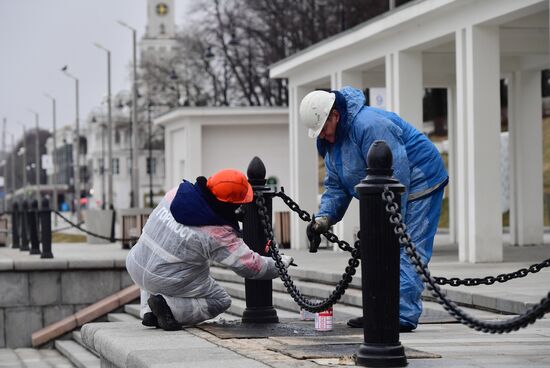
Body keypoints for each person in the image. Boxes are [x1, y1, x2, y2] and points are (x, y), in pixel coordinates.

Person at [300, 87, 448, 332]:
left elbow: (396, 172)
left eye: (324, 129)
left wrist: (389, 219)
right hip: (391, 191)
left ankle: (402, 315)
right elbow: (336, 185)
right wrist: (323, 219)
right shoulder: (333, 143)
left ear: (335, 115)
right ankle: (381, 312)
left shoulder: (370, 126)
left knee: (408, 245)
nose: (323, 136)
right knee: (380, 246)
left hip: (421, 180)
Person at [126, 169, 294, 330]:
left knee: (158, 260)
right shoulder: (217, 234)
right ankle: (169, 308)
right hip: (164, 278)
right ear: (231, 205)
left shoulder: (175, 193)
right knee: (220, 300)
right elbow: (251, 267)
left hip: (135, 262)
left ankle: (149, 312)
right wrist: (281, 262)